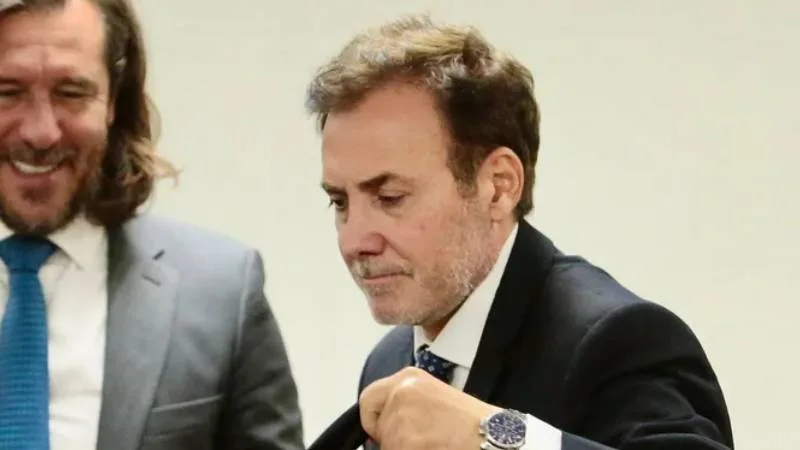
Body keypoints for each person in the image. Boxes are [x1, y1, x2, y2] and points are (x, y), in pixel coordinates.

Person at [305, 13, 735, 450]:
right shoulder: (389, 362)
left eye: (390, 197)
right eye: (340, 202)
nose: (355, 241)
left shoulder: (621, 339)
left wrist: (494, 435)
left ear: (498, 186)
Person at [0, 1, 304, 449]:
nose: (40, 132)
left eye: (71, 92)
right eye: (7, 91)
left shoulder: (221, 293)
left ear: (113, 102)